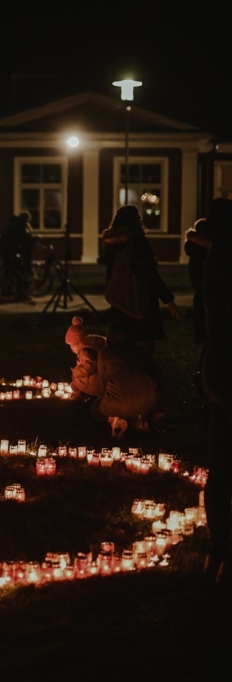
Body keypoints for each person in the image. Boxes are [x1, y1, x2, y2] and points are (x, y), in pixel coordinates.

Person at [199, 197, 232, 587]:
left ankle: (216, 550)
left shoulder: (216, 257)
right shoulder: (225, 261)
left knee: (221, 468)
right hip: (227, 367)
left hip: (217, 367)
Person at [102, 205, 181, 356]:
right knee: (144, 352)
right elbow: (151, 274)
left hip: (119, 303)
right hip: (141, 302)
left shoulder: (111, 244)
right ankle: (143, 377)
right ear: (135, 221)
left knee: (123, 353)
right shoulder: (138, 242)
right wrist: (168, 300)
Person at [91, 325, 167, 437]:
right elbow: (158, 376)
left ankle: (118, 420)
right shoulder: (140, 351)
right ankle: (138, 421)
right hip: (149, 401)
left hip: (118, 402)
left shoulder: (104, 353)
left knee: (95, 408)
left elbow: (104, 385)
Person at [184, 217, 211, 393]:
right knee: (212, 341)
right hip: (209, 300)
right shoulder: (208, 252)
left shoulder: (194, 251)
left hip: (201, 299)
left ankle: (203, 376)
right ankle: (205, 378)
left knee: (208, 342)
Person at [0, 211, 37, 299]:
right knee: (22, 273)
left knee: (15, 273)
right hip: (16, 253)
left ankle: (10, 292)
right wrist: (33, 240)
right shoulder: (20, 227)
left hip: (12, 253)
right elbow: (24, 238)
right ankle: (20, 293)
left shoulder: (12, 228)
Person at [64, 315, 106, 398]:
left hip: (98, 381)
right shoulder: (86, 347)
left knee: (77, 378)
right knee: (76, 381)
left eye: (71, 345)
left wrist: (76, 371)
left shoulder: (85, 351)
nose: (71, 348)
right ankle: (79, 389)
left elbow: (90, 365)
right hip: (98, 377)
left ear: (76, 343)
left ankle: (85, 393)